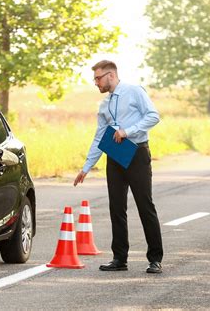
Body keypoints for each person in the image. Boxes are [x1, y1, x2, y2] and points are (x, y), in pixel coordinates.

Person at [74, 60, 163, 274]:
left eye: (98, 78)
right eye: (94, 79)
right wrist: (86, 167)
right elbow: (99, 137)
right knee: (116, 207)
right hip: (114, 153)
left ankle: (155, 259)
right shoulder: (104, 105)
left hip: (137, 152)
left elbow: (153, 116)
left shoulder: (134, 91)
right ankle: (119, 258)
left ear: (111, 75)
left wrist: (128, 131)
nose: (96, 83)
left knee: (145, 205)